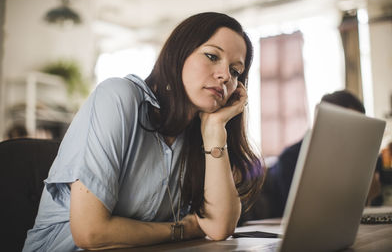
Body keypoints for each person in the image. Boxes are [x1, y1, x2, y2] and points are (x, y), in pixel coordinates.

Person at [22, 12, 264, 251]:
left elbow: (220, 227)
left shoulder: (197, 134)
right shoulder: (118, 97)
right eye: (212, 56)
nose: (224, 76)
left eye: (235, 71)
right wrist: (183, 229)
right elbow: (90, 233)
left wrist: (214, 130)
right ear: (178, 55)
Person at [240, 90, 382, 221]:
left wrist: (368, 196)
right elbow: (302, 214)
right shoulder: (291, 159)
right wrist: (358, 198)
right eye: (350, 125)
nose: (354, 135)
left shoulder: (356, 160)